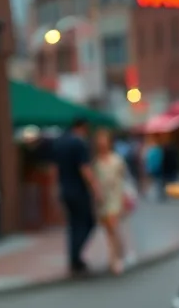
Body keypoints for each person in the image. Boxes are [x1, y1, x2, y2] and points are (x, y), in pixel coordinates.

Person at [54, 117, 101, 275]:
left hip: (65, 189)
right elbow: (84, 168)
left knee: (74, 225)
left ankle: (75, 259)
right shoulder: (78, 143)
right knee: (87, 223)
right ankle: (75, 257)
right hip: (79, 191)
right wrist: (96, 189)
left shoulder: (60, 142)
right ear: (83, 127)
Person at [92, 127, 134, 275]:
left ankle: (115, 259)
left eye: (104, 140)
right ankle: (120, 253)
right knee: (109, 230)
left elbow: (125, 179)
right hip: (103, 200)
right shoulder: (96, 162)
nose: (102, 143)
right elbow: (94, 182)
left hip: (115, 198)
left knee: (113, 226)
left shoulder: (117, 160)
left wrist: (125, 197)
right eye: (99, 141)